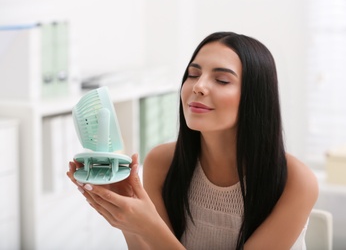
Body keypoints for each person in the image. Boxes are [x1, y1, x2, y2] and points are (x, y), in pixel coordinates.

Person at [67, 31, 318, 249]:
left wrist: (150, 227)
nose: (198, 86)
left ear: (255, 98)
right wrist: (128, 219)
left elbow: (156, 237)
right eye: (193, 74)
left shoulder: (295, 180)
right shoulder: (162, 162)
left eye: (221, 80)